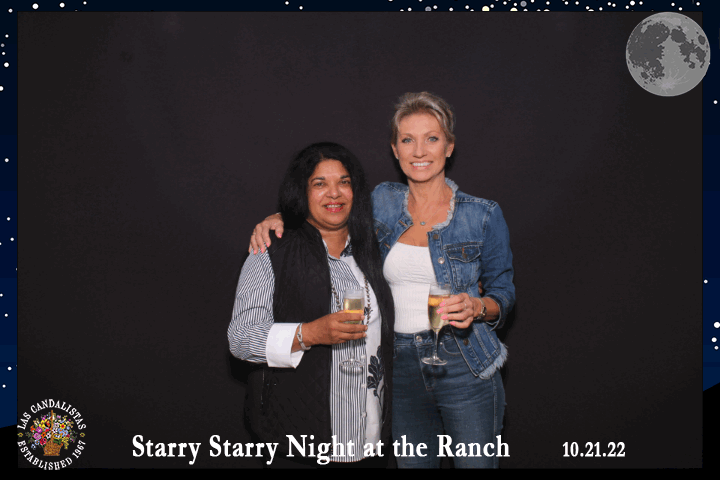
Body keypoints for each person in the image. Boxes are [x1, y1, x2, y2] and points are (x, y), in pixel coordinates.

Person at [249, 92, 515, 468]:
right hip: (395, 365)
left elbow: (503, 293)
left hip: (464, 361)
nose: (419, 151)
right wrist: (281, 218)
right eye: (407, 139)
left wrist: (478, 306)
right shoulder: (382, 201)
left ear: (449, 147)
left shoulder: (483, 215)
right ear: (395, 149)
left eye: (432, 138)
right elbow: (330, 210)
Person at [229, 142, 395, 467]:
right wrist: (309, 334)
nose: (334, 193)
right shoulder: (271, 251)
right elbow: (241, 339)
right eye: (320, 183)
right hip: (302, 443)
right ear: (302, 192)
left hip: (371, 441)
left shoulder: (375, 251)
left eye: (344, 182)